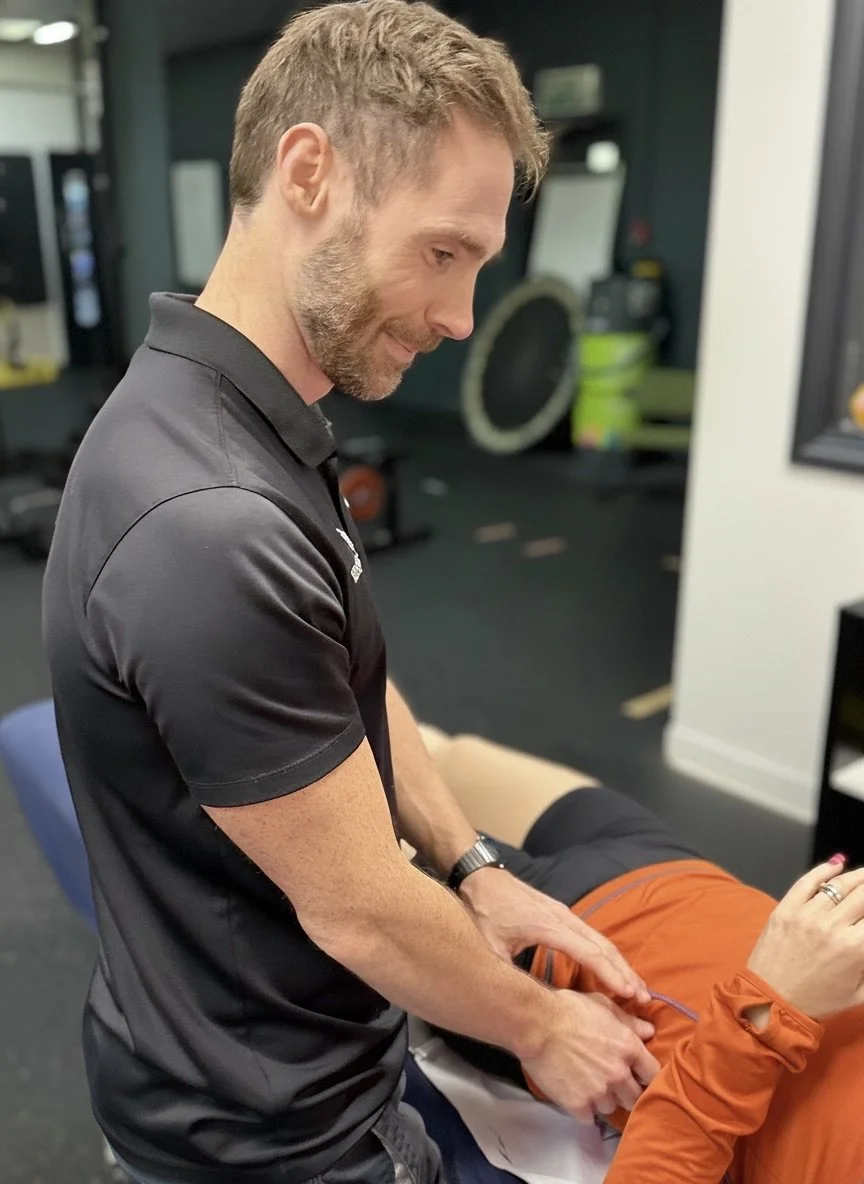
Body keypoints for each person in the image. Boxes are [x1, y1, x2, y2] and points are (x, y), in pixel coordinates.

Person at [42, 4, 661, 1183]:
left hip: (254, 1077)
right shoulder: (211, 525)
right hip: (277, 1144)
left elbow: (349, 686)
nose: (462, 317)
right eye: (443, 253)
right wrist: (542, 1026)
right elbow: (362, 910)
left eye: (479, 266)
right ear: (310, 172)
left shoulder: (225, 404)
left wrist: (473, 863)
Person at [440, 783, 864, 1184]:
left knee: (380, 805)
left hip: (553, 967)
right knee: (438, 750)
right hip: (673, 864)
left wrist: (764, 1017)